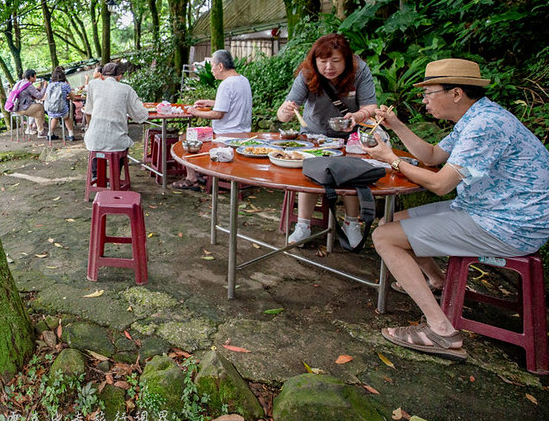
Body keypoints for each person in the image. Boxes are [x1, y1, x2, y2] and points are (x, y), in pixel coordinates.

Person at [364, 58, 549, 361]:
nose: (424, 100)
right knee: (396, 220)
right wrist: (396, 125)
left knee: (385, 237)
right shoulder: (475, 118)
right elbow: (433, 155)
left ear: (456, 93)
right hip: (487, 208)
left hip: (511, 223)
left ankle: (441, 332)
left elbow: (440, 184)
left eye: (429, 92)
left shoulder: (485, 125)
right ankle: (437, 281)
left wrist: (391, 160)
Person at [276, 33, 379, 247]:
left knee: (351, 174)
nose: (328, 67)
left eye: (335, 61)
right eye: (322, 62)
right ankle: (303, 226)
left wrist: (357, 116)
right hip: (315, 133)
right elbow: (283, 114)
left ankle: (352, 224)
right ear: (315, 61)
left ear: (347, 60)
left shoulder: (359, 70)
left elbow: (371, 107)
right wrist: (286, 111)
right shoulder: (307, 72)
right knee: (310, 174)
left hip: (349, 135)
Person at [171, 50, 253, 190]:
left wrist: (195, 111)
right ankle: (201, 172)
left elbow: (218, 114)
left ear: (220, 66)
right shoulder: (243, 80)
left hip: (225, 134)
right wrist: (210, 102)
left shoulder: (226, 84)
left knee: (184, 137)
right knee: (191, 136)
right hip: (243, 132)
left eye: (213, 66)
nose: (212, 70)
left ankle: (192, 178)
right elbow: (232, 103)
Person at [84, 62, 149, 174]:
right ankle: (115, 177)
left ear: (102, 75)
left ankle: (96, 175)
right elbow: (140, 115)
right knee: (119, 144)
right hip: (116, 141)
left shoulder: (93, 85)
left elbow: (88, 111)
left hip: (93, 138)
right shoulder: (126, 89)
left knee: (96, 141)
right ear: (119, 76)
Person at [11, 69, 47, 137]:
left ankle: (41, 131)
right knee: (40, 106)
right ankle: (42, 126)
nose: (36, 78)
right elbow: (39, 96)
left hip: (15, 109)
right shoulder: (28, 85)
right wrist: (44, 87)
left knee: (38, 113)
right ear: (31, 77)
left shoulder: (19, 83)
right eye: (35, 76)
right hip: (22, 109)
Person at [44, 66, 76, 142]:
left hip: (50, 109)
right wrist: (69, 97)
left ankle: (50, 134)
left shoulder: (50, 85)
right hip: (62, 109)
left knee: (55, 117)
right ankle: (71, 134)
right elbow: (72, 96)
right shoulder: (65, 85)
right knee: (67, 117)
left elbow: (46, 97)